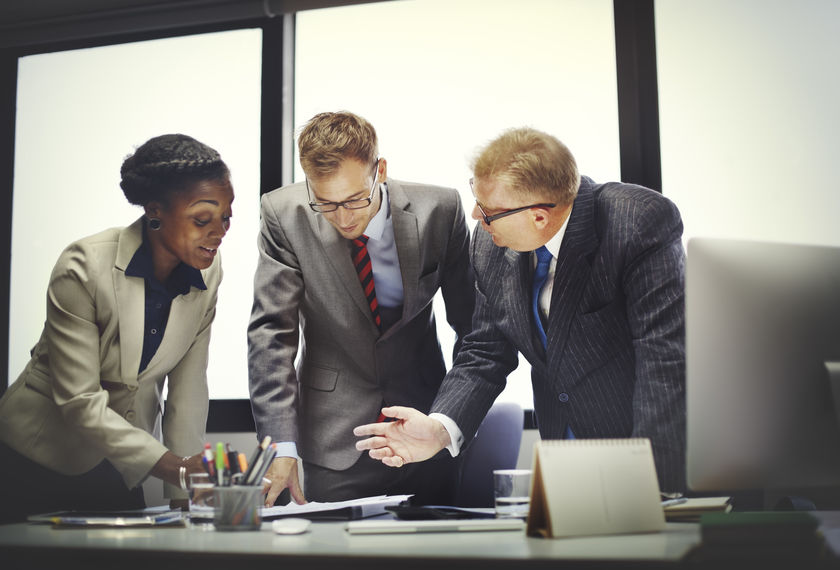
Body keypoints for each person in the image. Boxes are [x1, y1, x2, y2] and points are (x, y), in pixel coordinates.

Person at [355, 127, 687, 493]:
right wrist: (439, 428)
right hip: (565, 458)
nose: (475, 215)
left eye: (490, 211)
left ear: (540, 217)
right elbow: (485, 350)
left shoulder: (636, 222)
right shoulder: (490, 241)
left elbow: (663, 357)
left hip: (645, 451)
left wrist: (654, 482)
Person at [0, 134, 235, 523]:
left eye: (227, 216)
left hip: (118, 464)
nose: (220, 230)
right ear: (155, 212)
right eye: (202, 219)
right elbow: (78, 400)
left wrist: (185, 497)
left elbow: (188, 391)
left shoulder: (209, 270)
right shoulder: (84, 265)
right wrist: (173, 466)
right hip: (34, 457)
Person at [248, 111, 475, 506]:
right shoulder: (283, 215)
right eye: (326, 204)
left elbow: (474, 330)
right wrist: (282, 447)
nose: (344, 217)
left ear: (380, 171)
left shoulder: (441, 210)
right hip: (335, 439)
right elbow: (271, 336)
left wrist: (447, 419)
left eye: (355, 199)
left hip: (425, 430)